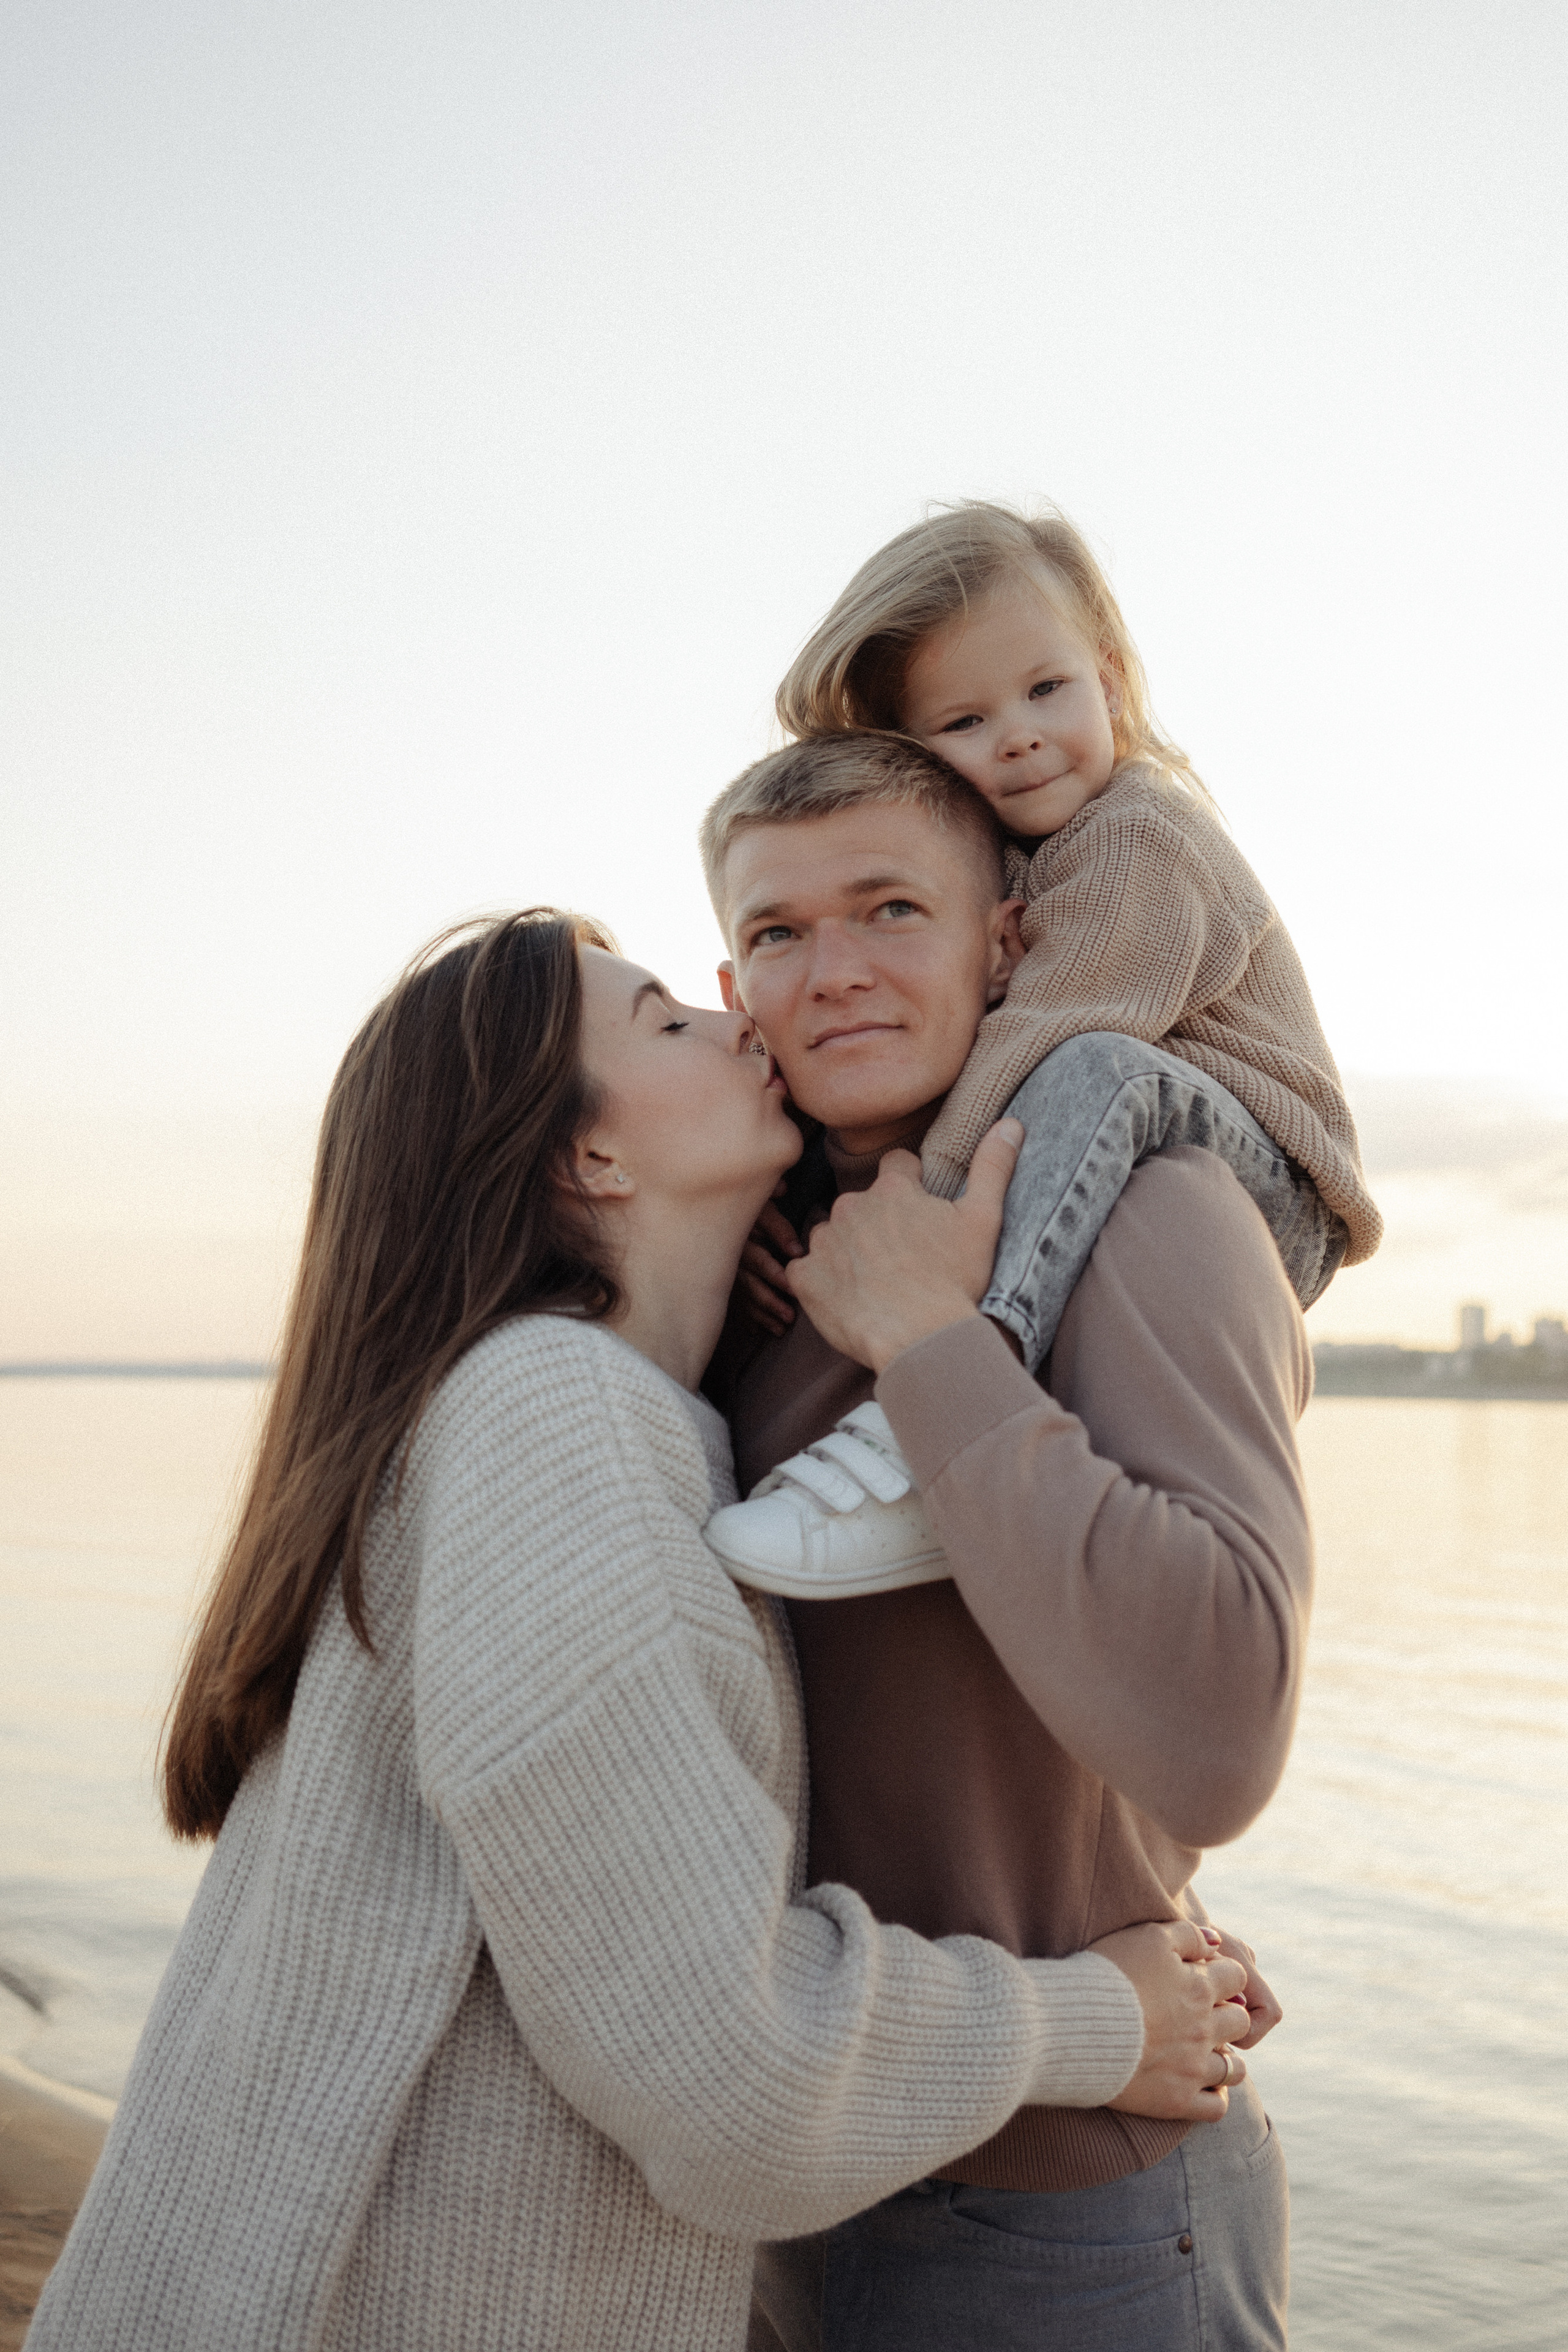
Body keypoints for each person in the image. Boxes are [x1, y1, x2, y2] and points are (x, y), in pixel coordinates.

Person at [25, 911, 1250, 2352]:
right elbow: (722, 2078)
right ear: (587, 1160)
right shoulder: (554, 1420)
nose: (741, 1018)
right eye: (667, 1019)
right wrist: (1098, 2019)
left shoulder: (578, 1416)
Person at [697, 757, 1312, 2348]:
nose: (833, 970)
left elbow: (1223, 1729)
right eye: (778, 932)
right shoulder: (750, 1260)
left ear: (1009, 944)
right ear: (729, 984)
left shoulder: (1154, 1208)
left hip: (1066, 2203)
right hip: (806, 2162)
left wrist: (929, 1342)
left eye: (893, 910)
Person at [706, 500, 1376, 1594]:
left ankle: (939, 1412)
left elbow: (1036, 1042)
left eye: (1046, 690)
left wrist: (916, 1211)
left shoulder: (1139, 841)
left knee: (1090, 1065)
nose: (1017, 734)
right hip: (1119, 1139)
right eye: (962, 723)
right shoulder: (1016, 858)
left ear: (1108, 679)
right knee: (1086, 1075)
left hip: (1271, 1183)